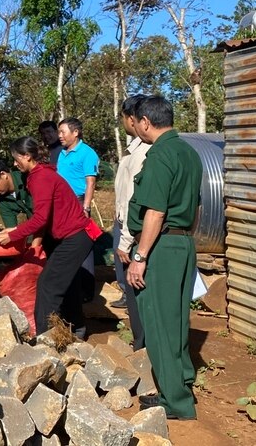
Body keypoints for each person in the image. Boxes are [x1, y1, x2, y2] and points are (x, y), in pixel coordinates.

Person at [126, 96, 201, 421]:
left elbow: (155, 211)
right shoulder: (189, 152)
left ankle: (175, 402)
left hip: (159, 246)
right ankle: (181, 380)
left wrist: (140, 256)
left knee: (159, 324)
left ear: (145, 122)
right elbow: (196, 208)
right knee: (178, 321)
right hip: (182, 243)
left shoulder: (160, 155)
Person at [0, 137, 94, 338]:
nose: (14, 163)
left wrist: (13, 235)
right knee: (67, 285)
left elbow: (39, 219)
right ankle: (76, 329)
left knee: (47, 285)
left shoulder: (40, 178)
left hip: (75, 237)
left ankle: (45, 338)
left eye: (16, 158)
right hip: (72, 236)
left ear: (27, 156)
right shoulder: (40, 175)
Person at [112, 94, 149, 350]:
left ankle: (142, 347)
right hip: (131, 229)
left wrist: (125, 241)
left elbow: (131, 201)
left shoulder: (140, 153)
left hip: (134, 232)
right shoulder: (135, 150)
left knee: (137, 293)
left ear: (132, 119)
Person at [57, 117, 99, 302]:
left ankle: (86, 290)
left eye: (63, 132)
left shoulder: (87, 153)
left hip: (78, 202)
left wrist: (86, 206)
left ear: (75, 133)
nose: (60, 136)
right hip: (62, 203)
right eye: (59, 132)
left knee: (83, 242)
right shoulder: (62, 153)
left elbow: (90, 182)